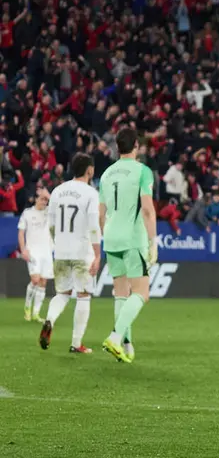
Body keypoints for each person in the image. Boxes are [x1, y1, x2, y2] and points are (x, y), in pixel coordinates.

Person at [99, 128, 158, 364]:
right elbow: (147, 209)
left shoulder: (106, 174)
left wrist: (108, 234)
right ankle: (115, 337)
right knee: (142, 293)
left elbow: (100, 215)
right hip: (132, 238)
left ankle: (125, 344)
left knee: (121, 293)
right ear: (136, 145)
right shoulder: (143, 171)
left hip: (111, 238)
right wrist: (153, 242)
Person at [40, 154, 101, 353]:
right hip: (82, 251)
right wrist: (97, 253)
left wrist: (59, 242)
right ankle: (76, 344)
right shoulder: (91, 193)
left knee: (62, 294)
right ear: (89, 170)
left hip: (62, 250)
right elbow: (93, 225)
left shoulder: (57, 191)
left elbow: (50, 224)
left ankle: (49, 319)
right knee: (83, 296)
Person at [18, 187, 53, 322]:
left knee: (43, 282)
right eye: (42, 199)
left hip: (47, 251)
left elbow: (55, 203)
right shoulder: (27, 213)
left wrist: (47, 195)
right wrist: (23, 249)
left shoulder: (49, 212)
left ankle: (36, 313)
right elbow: (21, 232)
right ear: (35, 199)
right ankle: (27, 307)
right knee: (35, 280)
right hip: (33, 251)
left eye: (45, 199)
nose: (44, 202)